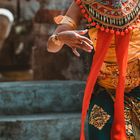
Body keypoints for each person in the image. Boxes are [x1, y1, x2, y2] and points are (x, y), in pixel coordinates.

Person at [47, 0, 140, 140]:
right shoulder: (84, 3)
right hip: (105, 91)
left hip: (138, 86)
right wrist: (60, 38)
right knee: (99, 127)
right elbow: (51, 46)